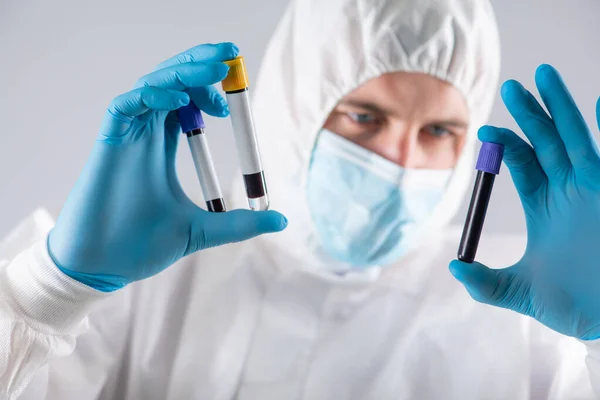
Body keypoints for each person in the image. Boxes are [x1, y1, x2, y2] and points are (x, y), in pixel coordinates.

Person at [2, 0, 600, 398]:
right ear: (295, 105)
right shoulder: (141, 277)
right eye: (365, 117)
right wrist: (53, 290)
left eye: (438, 131)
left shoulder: (524, 324)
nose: (400, 162)